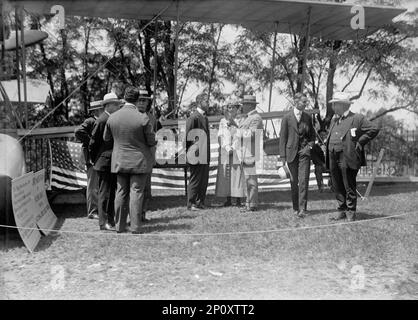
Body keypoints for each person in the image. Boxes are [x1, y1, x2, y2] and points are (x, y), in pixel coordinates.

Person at [104, 87, 157, 234]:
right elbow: (152, 141)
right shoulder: (143, 118)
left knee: (121, 192)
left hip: (119, 161)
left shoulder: (112, 117)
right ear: (136, 99)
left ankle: (119, 226)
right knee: (136, 192)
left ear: (124, 98)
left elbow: (106, 138)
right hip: (139, 162)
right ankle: (135, 227)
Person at [326, 92, 379, 221]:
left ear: (343, 105)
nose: (333, 106)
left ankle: (351, 211)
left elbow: (374, 129)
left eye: (335, 104)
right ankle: (342, 209)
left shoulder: (357, 118)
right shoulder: (334, 120)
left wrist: (360, 141)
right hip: (333, 155)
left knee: (348, 184)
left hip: (347, 156)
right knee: (337, 184)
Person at [89, 93, 124, 231]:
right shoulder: (103, 120)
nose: (118, 107)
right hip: (104, 162)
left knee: (111, 192)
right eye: (115, 104)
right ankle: (104, 222)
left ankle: (110, 219)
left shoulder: (110, 119)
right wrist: (95, 158)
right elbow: (93, 142)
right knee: (105, 193)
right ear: (108, 106)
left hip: (110, 161)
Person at [279, 93, 315, 217]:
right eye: (304, 102)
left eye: (306, 102)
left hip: (304, 153)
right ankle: (295, 207)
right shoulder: (286, 118)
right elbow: (282, 139)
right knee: (294, 182)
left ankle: (302, 209)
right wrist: (282, 157)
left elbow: (312, 136)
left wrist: (309, 147)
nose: (306, 104)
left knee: (304, 180)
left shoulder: (308, 117)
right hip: (290, 154)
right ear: (296, 101)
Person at [74, 103, 103, 220]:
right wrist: (91, 141)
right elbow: (78, 131)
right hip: (92, 158)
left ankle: (98, 209)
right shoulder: (90, 121)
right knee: (93, 185)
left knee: (97, 184)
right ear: (96, 111)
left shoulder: (99, 121)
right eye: (102, 108)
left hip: (98, 157)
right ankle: (92, 211)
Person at [236, 95, 263, 212]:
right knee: (246, 180)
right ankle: (248, 203)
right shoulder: (247, 117)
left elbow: (251, 134)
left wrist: (237, 132)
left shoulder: (255, 118)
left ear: (251, 105)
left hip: (250, 152)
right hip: (244, 152)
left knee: (250, 180)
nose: (243, 106)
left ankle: (252, 204)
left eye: (245, 104)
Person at [215, 100, 245, 207]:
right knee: (226, 174)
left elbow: (242, 135)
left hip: (237, 150)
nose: (230, 109)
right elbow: (220, 136)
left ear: (237, 108)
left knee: (237, 174)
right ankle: (227, 198)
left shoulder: (241, 120)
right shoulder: (222, 121)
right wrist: (226, 147)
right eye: (229, 107)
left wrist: (233, 148)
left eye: (232, 107)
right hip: (226, 151)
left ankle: (237, 199)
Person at [136, 89, 158, 222]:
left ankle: (142, 213)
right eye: (140, 100)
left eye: (145, 100)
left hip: (147, 157)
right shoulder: (130, 116)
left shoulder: (152, 118)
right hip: (132, 157)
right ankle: (133, 215)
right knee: (133, 189)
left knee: (146, 189)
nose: (142, 103)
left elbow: (153, 140)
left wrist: (153, 157)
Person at [186, 94, 210, 211]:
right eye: (206, 101)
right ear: (199, 102)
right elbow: (188, 136)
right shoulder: (193, 117)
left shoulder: (205, 117)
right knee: (195, 179)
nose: (208, 103)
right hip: (196, 154)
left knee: (203, 180)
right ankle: (191, 203)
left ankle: (200, 202)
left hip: (205, 154)